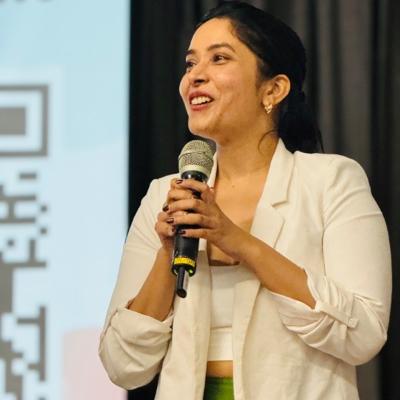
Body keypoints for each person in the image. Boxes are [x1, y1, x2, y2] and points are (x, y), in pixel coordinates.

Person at [98, 2, 392, 399]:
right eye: (190, 64)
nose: (195, 76)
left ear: (273, 89)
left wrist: (237, 240)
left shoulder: (331, 182)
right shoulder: (165, 197)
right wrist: (166, 253)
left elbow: (363, 334)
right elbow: (122, 364)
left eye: (218, 58)